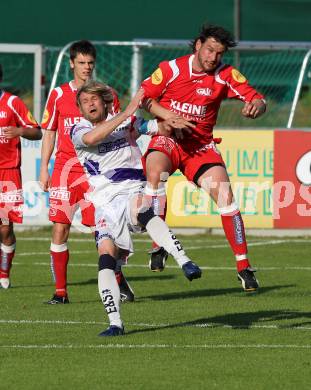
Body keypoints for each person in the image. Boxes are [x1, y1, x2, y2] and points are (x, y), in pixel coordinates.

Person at [140, 24, 267, 292]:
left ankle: (244, 267)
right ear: (198, 45)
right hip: (169, 140)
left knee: (226, 197)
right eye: (210, 50)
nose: (213, 58)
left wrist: (257, 105)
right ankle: (158, 246)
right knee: (155, 175)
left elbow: (256, 97)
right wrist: (166, 115)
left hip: (201, 147)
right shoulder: (170, 69)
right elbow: (145, 100)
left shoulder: (225, 74)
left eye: (219, 53)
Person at [71, 80, 201, 336]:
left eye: (94, 99)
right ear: (80, 109)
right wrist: (128, 110)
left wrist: (172, 119)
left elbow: (156, 127)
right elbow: (94, 137)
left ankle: (184, 261)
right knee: (106, 258)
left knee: (142, 209)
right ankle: (115, 323)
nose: (90, 105)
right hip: (104, 204)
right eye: (85, 102)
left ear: (105, 101)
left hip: (131, 190)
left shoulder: (129, 123)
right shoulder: (79, 129)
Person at [39, 40, 134, 304]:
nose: (86, 68)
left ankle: (118, 279)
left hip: (95, 170)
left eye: (90, 63)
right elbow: (49, 132)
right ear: (72, 64)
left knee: (101, 229)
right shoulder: (58, 95)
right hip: (64, 169)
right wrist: (44, 169)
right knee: (60, 228)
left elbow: (118, 128)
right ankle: (60, 293)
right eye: (81, 63)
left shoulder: (106, 93)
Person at [0, 64, 42, 289]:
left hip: (8, 174)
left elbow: (37, 131)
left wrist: (18, 131)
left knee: (5, 228)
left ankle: (4, 273)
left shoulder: (11, 103)